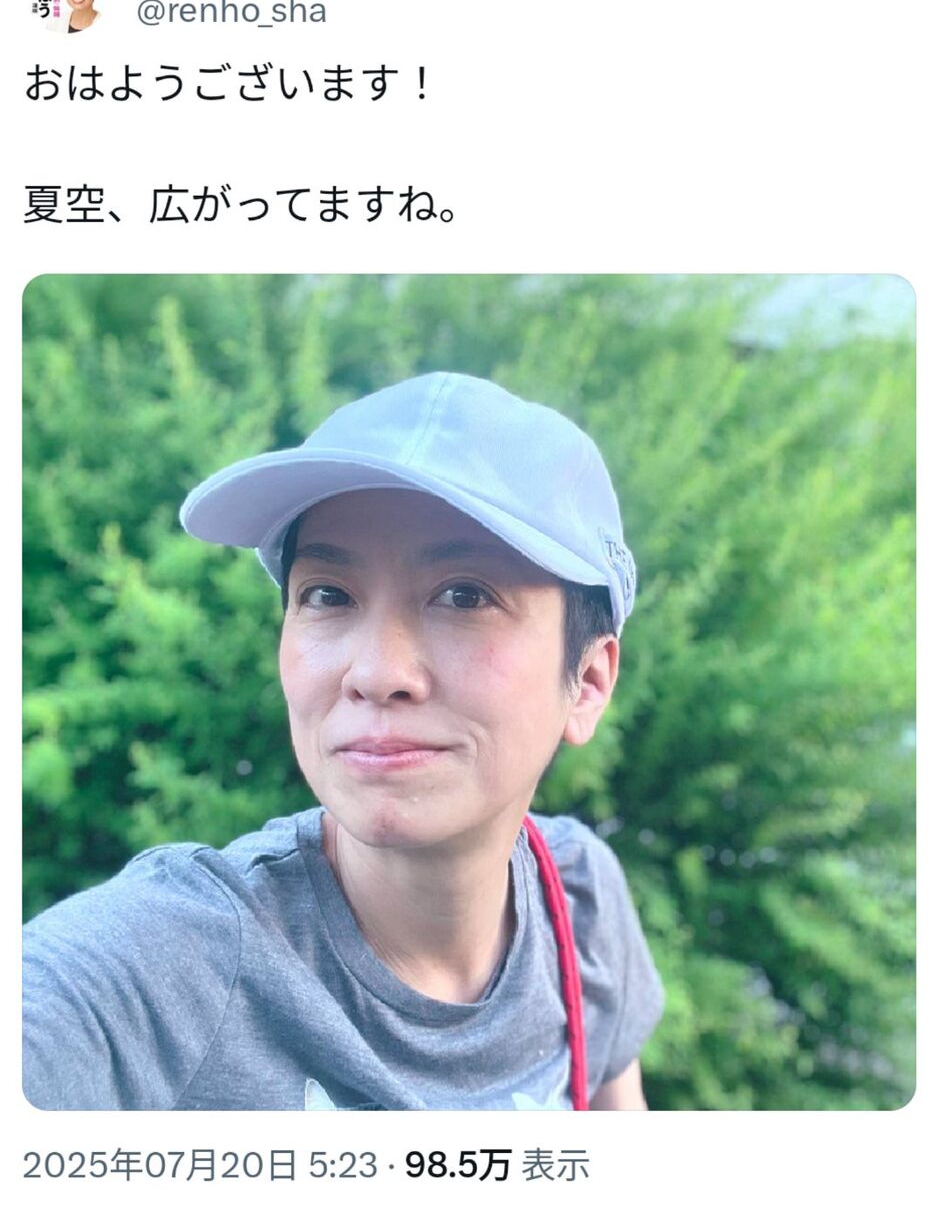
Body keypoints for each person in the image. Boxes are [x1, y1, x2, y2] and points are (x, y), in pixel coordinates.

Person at [23, 371, 664, 1110]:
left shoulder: (579, 902)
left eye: (464, 596)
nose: (377, 673)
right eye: (328, 595)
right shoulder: (164, 969)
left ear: (587, 682)